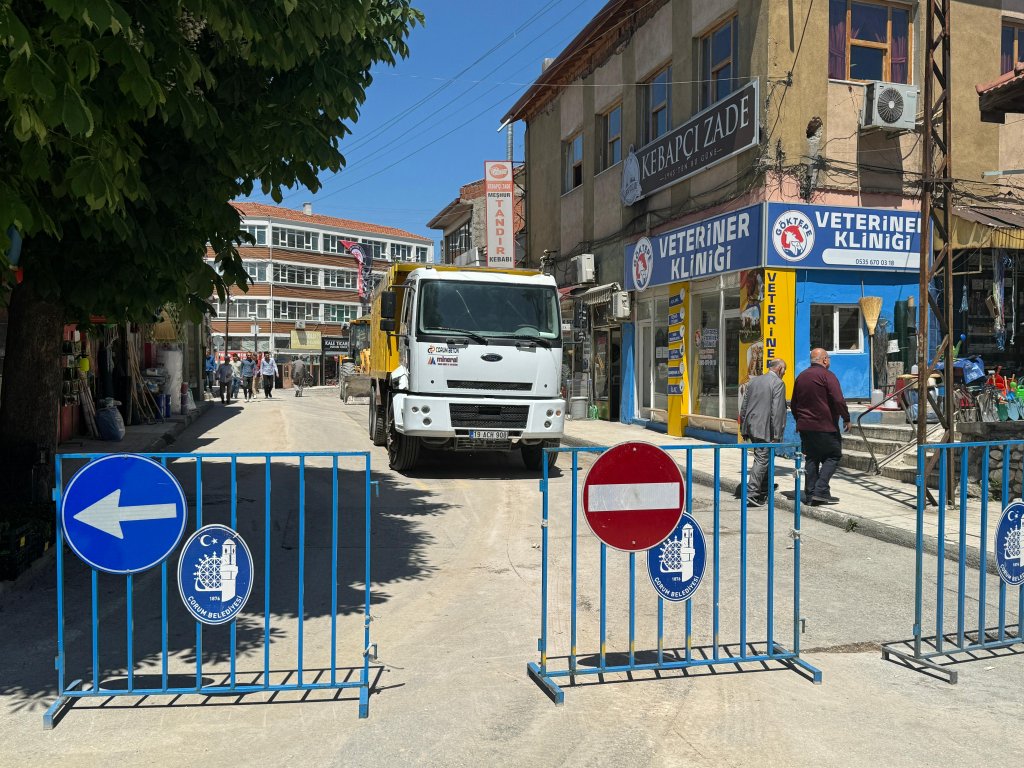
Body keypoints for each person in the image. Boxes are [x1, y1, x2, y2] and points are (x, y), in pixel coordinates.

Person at [790, 348, 851, 505]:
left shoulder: (801, 377)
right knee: (833, 456)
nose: (829, 361)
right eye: (828, 358)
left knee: (812, 458)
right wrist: (846, 418)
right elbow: (838, 399)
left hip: (805, 426)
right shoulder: (827, 376)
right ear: (824, 360)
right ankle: (821, 490)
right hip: (825, 425)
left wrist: (800, 420)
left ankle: (811, 494)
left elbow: (794, 403)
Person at [738, 358, 788, 506]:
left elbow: (744, 404)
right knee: (762, 458)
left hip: (752, 425)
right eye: (784, 370)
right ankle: (752, 493)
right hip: (765, 428)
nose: (784, 373)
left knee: (763, 456)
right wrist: (777, 434)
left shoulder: (754, 381)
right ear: (779, 369)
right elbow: (777, 411)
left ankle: (764, 487)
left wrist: (744, 427)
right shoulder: (778, 383)